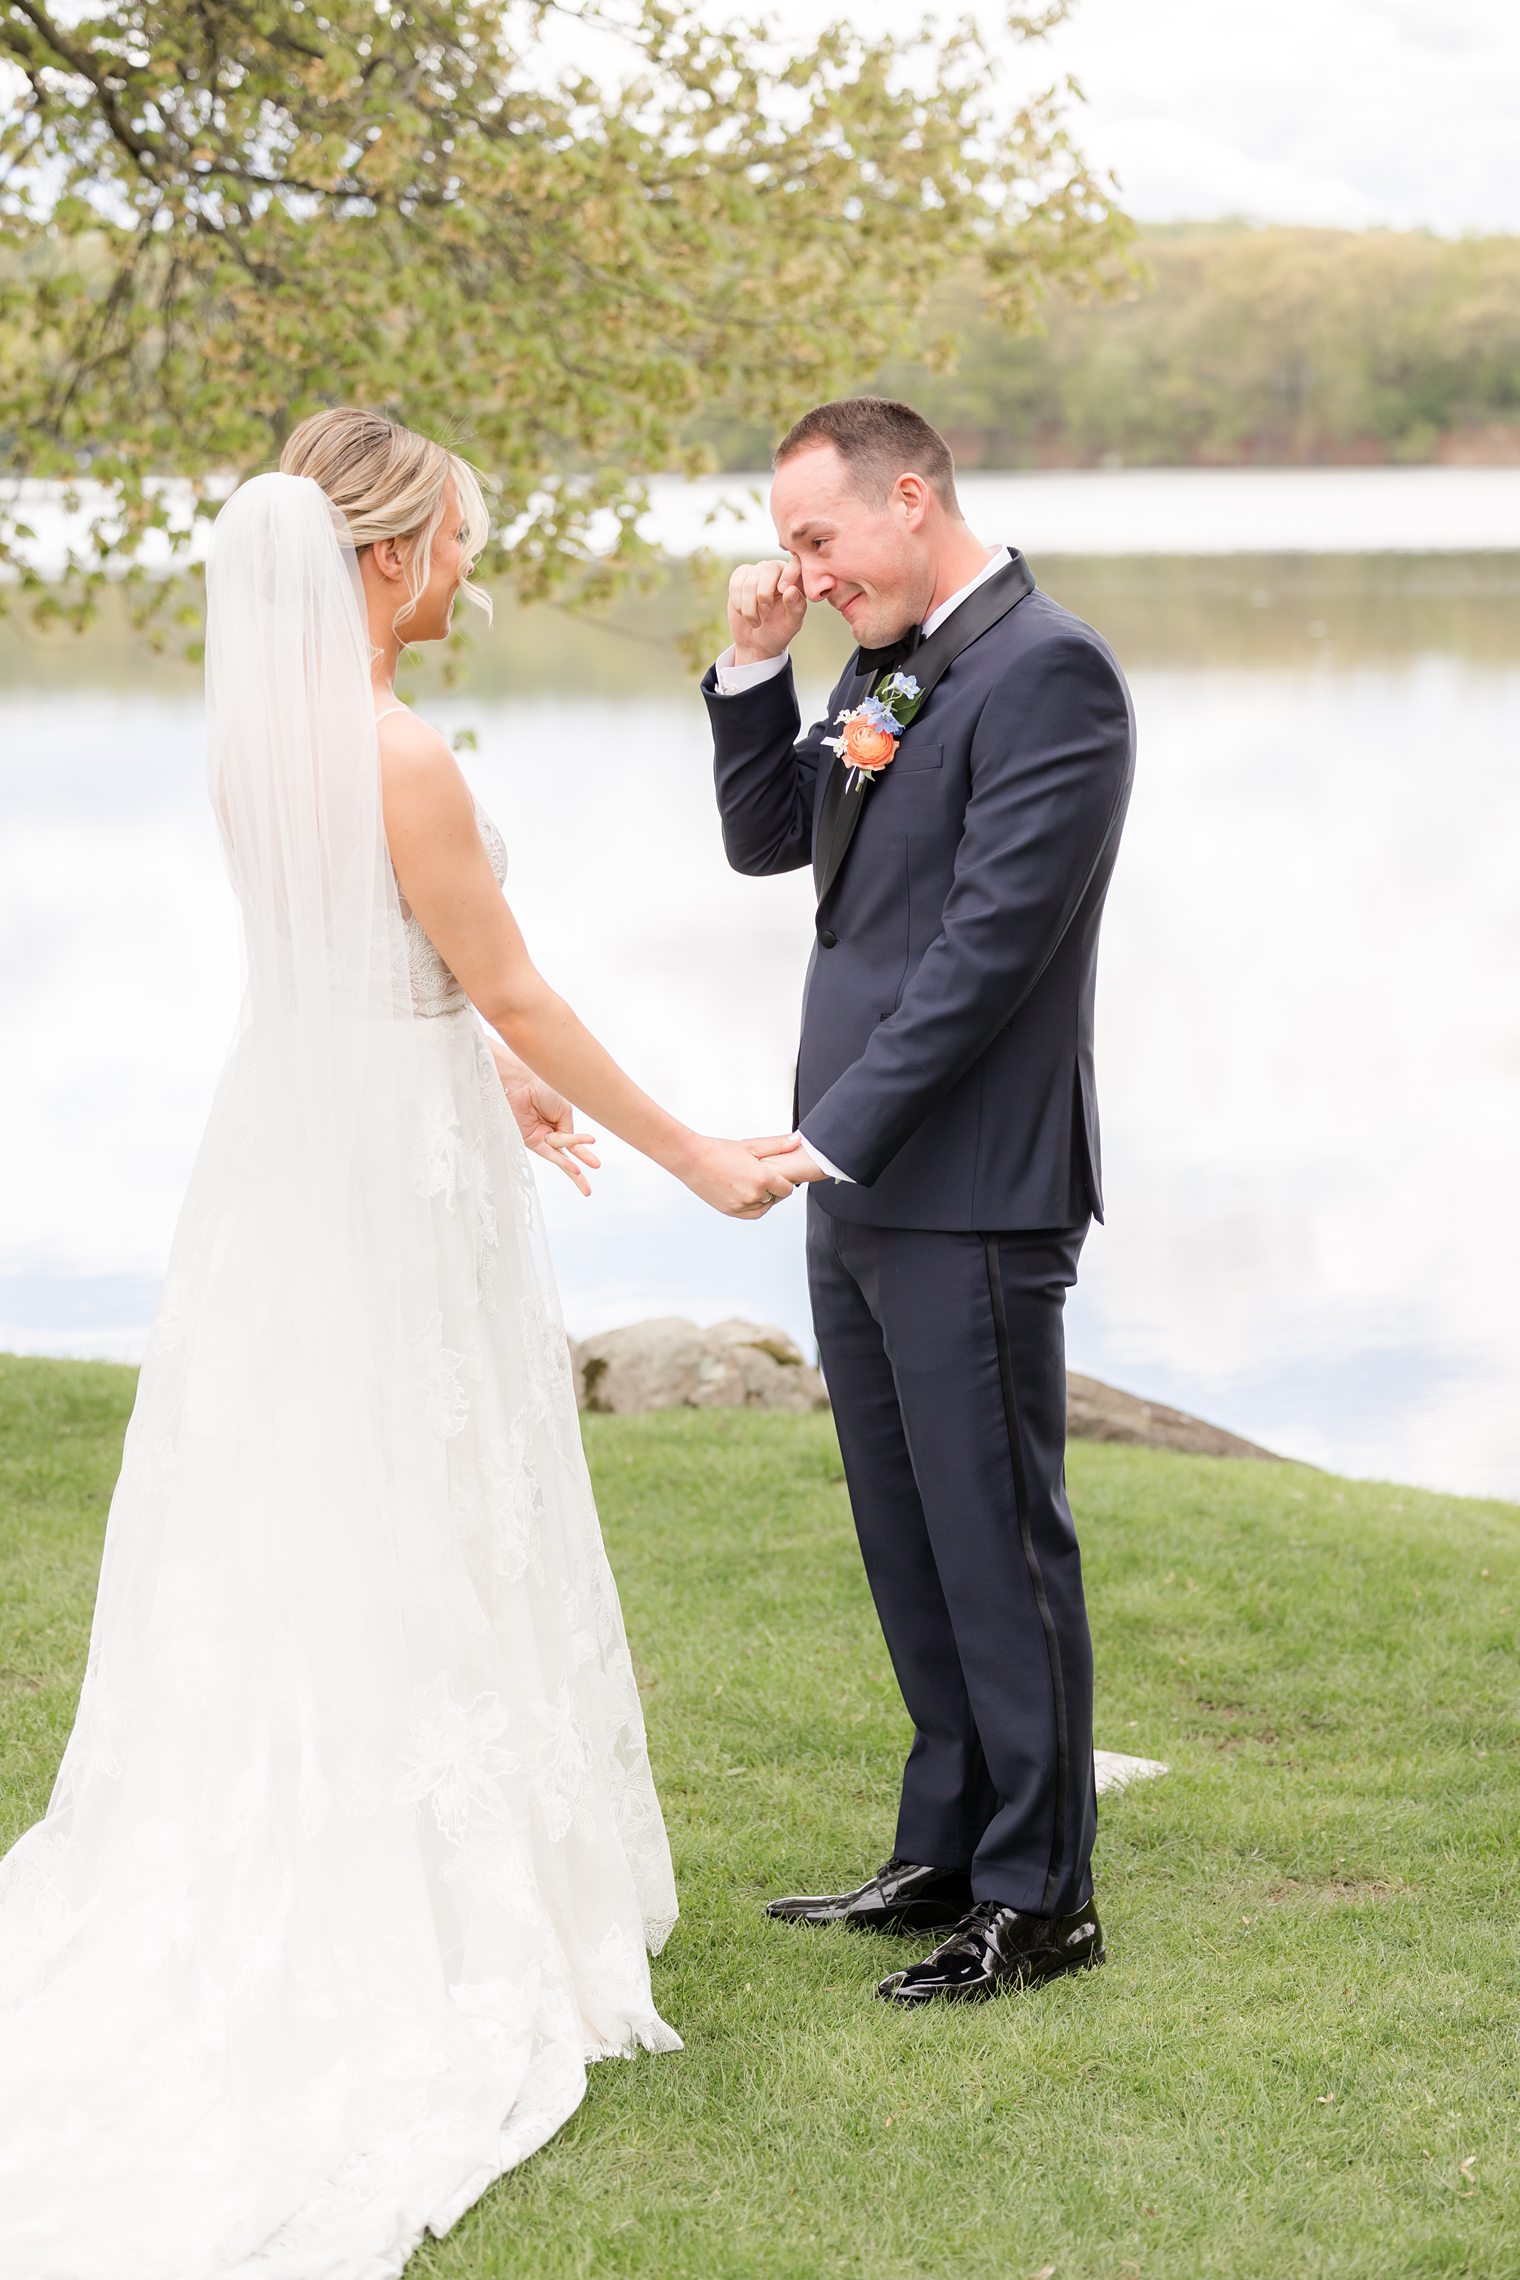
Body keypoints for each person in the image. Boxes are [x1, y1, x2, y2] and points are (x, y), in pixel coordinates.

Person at [0, 408, 800, 2279]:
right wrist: (688, 1148)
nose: (474, 568)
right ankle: (405, 1906)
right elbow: (496, 971)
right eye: (454, 539)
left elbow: (381, 968)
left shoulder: (262, 745)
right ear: (381, 561)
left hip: (295, 1136)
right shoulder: (398, 752)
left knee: (311, 1497)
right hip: (385, 1175)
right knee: (411, 1491)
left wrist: (494, 1077)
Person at [706, 396, 1135, 2005]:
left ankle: (1045, 1898)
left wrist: (830, 1136)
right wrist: (755, 672)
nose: (802, 569)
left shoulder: (1050, 673)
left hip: (966, 1182)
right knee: (906, 1533)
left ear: (908, 496)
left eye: (816, 540)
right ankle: (947, 1850)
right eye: (790, 548)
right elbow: (770, 842)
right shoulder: (894, 660)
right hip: (860, 1174)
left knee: (999, 1538)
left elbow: (989, 952)